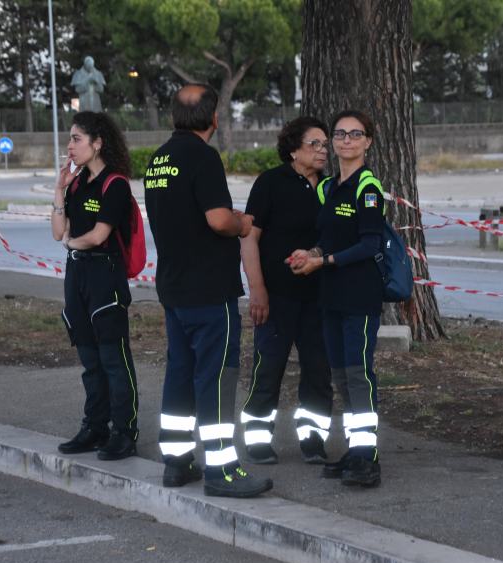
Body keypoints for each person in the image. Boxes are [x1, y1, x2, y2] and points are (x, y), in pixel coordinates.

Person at [144, 83, 273, 498]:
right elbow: (218, 220)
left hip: (174, 287)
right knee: (217, 376)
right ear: (214, 118)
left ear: (173, 118)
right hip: (207, 289)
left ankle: (177, 462)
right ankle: (221, 469)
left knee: (179, 374)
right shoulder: (203, 156)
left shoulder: (158, 159)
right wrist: (243, 224)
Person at [288, 110, 385, 487]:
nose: (345, 140)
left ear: (368, 142)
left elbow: (369, 244)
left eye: (354, 134)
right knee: (342, 377)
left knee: (360, 376)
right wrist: (309, 253)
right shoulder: (327, 188)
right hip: (330, 297)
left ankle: (368, 458)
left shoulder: (368, 187)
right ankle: (355, 448)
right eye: (339, 135)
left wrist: (323, 261)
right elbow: (328, 239)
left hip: (359, 296)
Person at [239, 117, 334, 465]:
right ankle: (258, 438)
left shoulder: (330, 188)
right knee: (268, 368)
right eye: (315, 144)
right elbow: (249, 237)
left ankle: (313, 440)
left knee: (318, 371)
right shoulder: (270, 183)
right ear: (293, 149)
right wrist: (258, 289)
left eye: (325, 144)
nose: (323, 150)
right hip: (276, 296)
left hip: (320, 298)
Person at [51, 111, 139, 461]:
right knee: (90, 359)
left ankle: (124, 430)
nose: (70, 146)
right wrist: (59, 190)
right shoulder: (76, 184)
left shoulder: (115, 184)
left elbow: (99, 236)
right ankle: (95, 426)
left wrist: (73, 242)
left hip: (105, 276)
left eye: (76, 139)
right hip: (77, 277)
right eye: (70, 139)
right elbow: (59, 232)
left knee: (113, 358)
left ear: (97, 143)